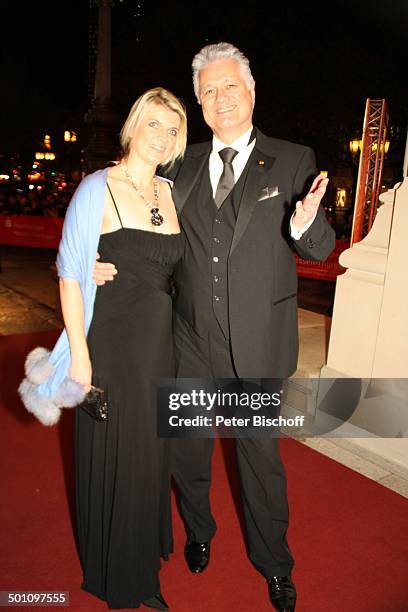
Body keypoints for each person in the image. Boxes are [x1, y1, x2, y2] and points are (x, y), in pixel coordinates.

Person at [93, 43, 336, 611]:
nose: (220, 98)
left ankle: (274, 563)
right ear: (199, 103)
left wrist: (304, 225)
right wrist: (104, 264)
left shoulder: (292, 157)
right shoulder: (182, 164)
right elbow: (151, 230)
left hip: (257, 344)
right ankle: (199, 530)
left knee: (259, 463)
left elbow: (322, 245)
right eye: (208, 90)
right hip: (190, 339)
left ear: (251, 93)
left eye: (229, 86)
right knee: (189, 453)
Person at [19, 87, 187, 610]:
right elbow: (70, 275)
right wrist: (83, 360)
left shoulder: (169, 191)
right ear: (133, 126)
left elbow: (170, 269)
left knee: (152, 453)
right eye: (153, 124)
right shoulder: (97, 187)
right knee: (125, 454)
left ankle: (145, 546)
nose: (161, 137)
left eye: (172, 129)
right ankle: (126, 576)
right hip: (112, 344)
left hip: (161, 345)